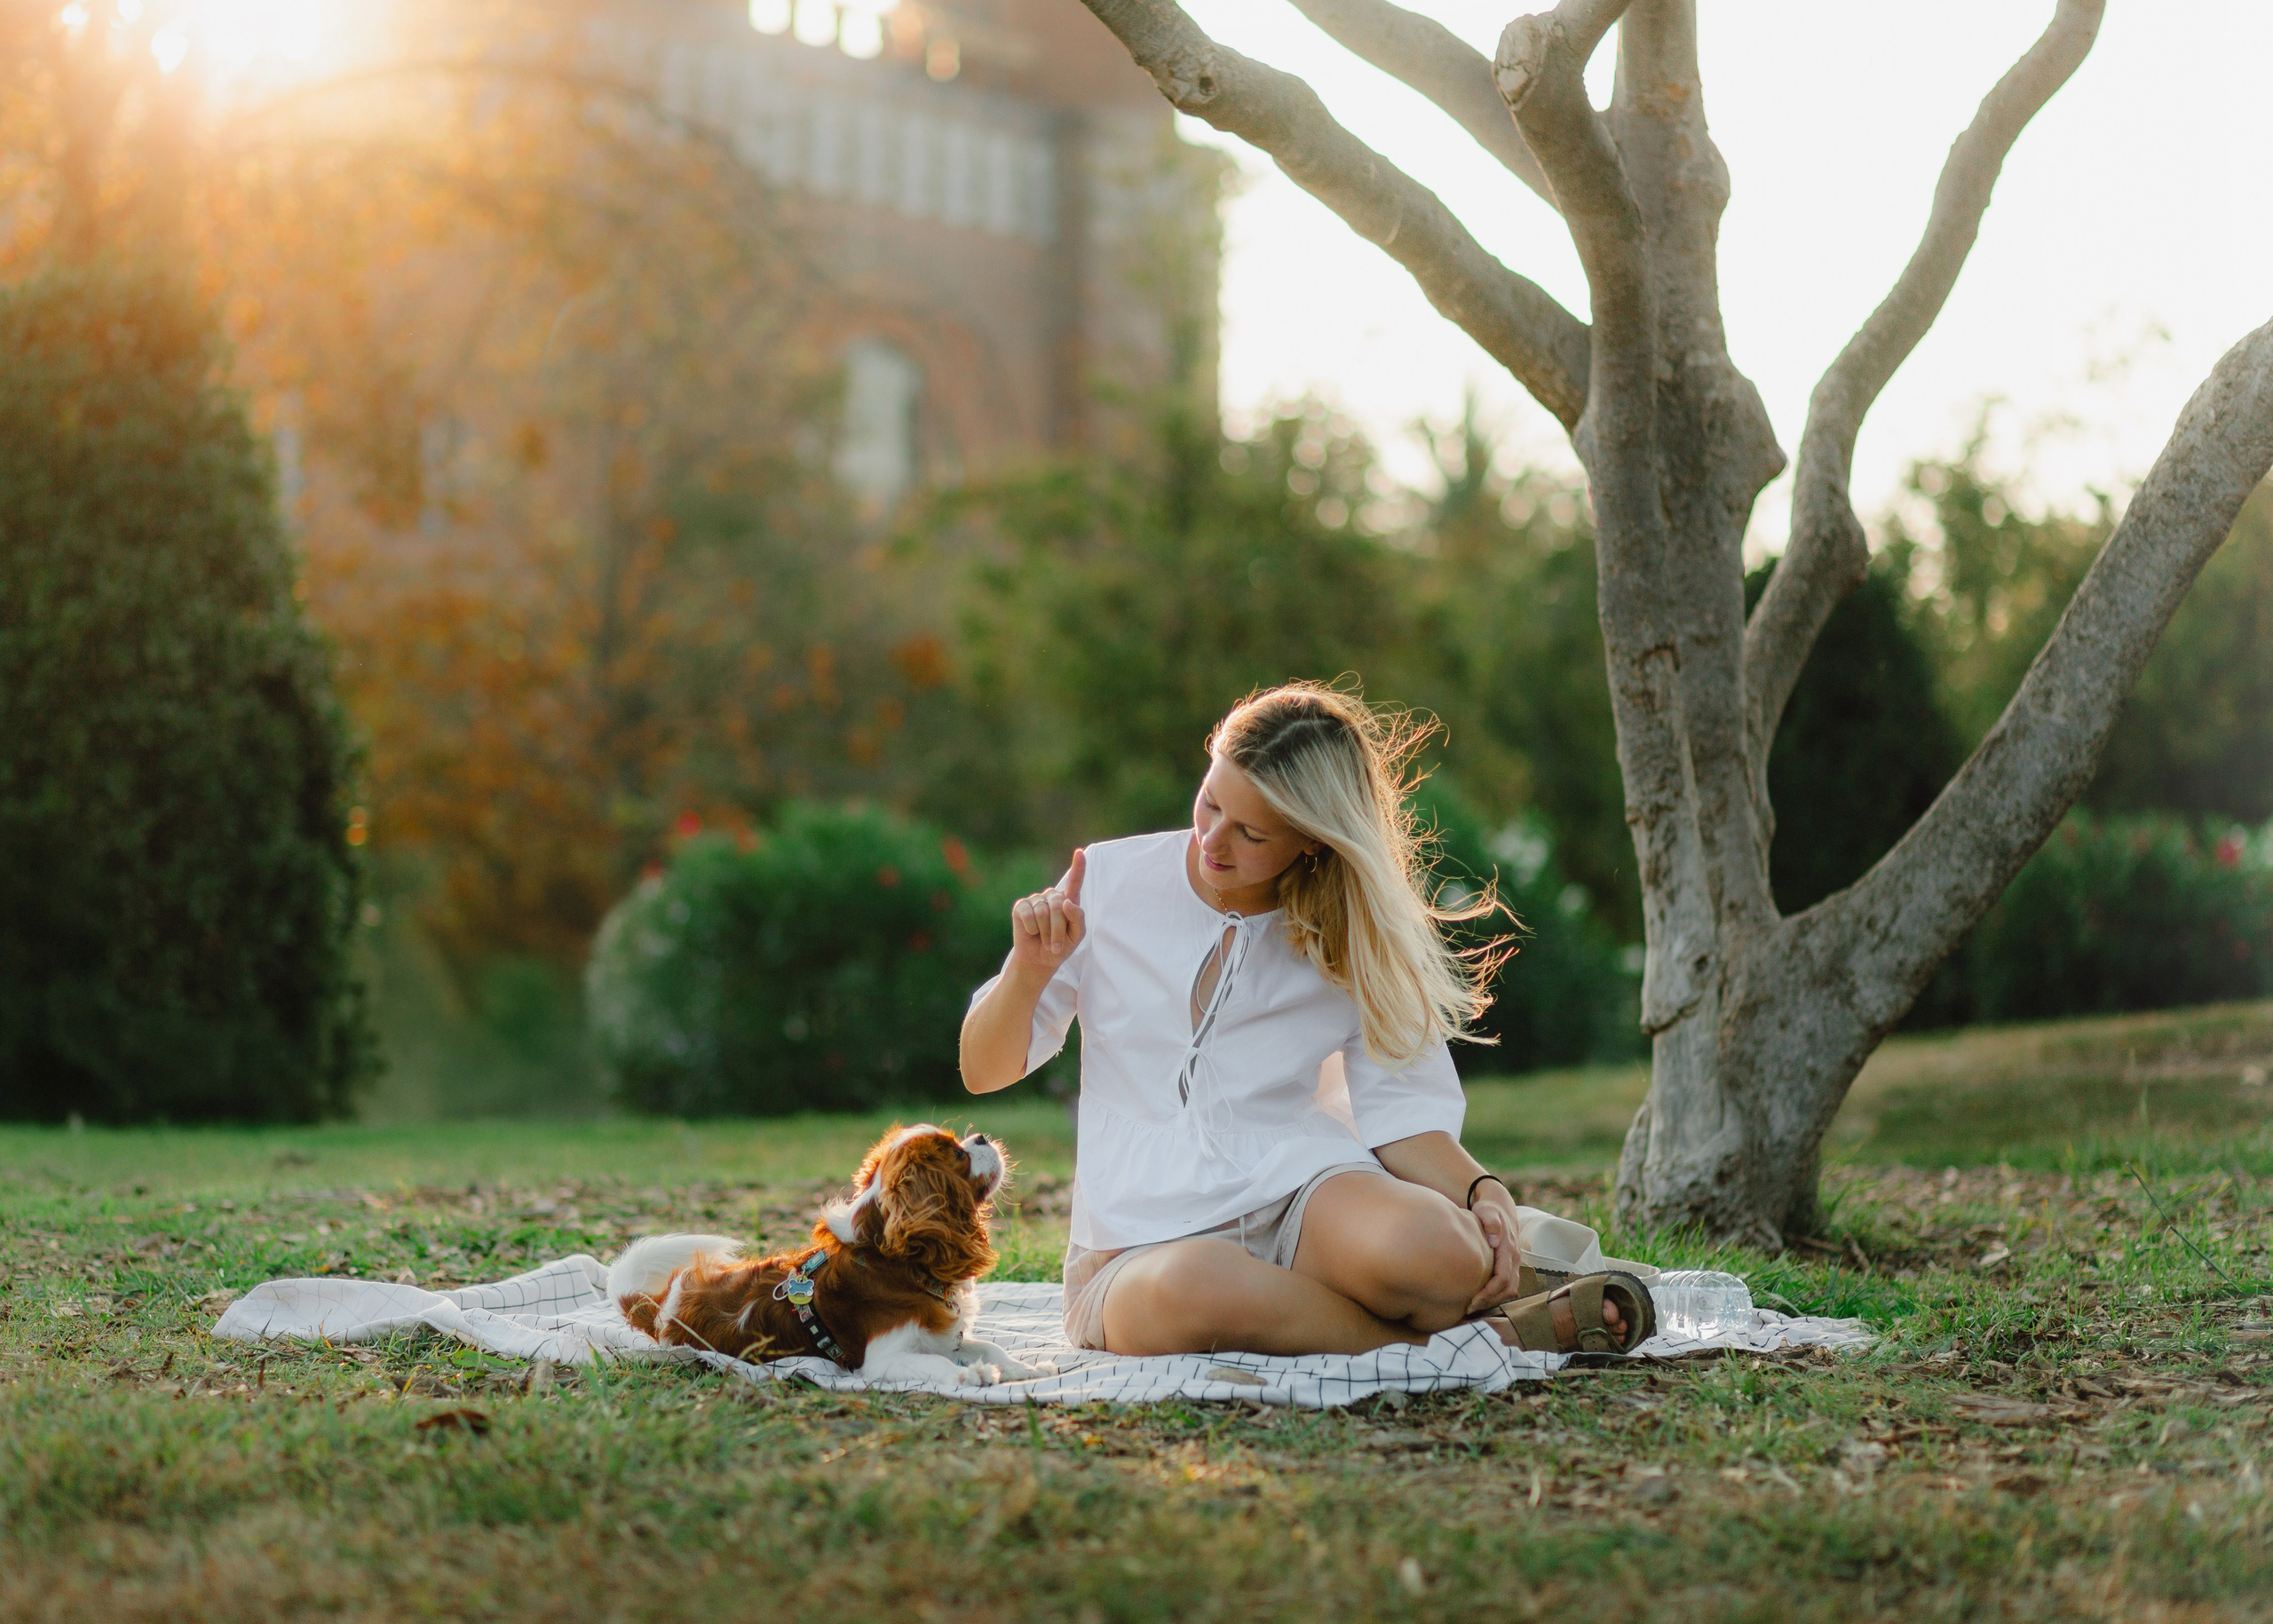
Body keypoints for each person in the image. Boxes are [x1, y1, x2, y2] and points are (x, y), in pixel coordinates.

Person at [960, 683, 1651, 1358]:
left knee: (1438, 1253)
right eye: (1210, 802)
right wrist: (1028, 970)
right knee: (1190, 1293)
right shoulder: (1107, 882)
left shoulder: (1350, 930)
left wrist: (1482, 1190)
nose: (1212, 839)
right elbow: (981, 1069)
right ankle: (1490, 1337)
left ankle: (1442, 1285)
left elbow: (1403, 1112)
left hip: (1300, 1195)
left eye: (1251, 832)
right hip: (1140, 1246)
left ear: (1312, 842)